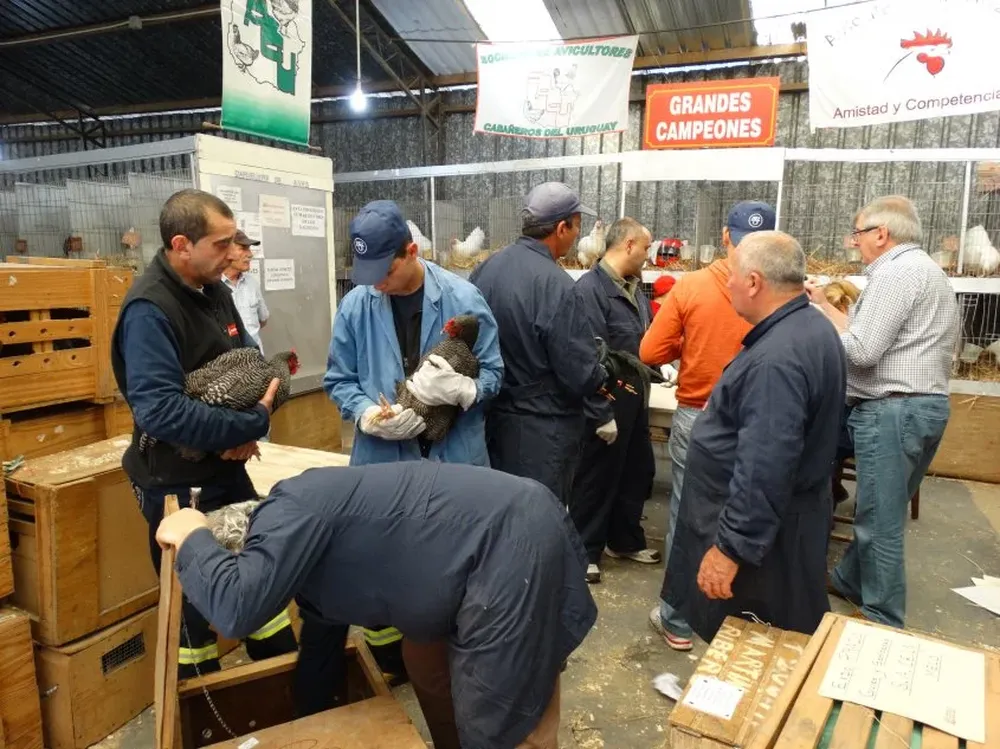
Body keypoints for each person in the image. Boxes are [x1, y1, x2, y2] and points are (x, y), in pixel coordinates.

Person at [153, 461, 598, 749]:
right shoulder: (295, 549)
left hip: (509, 545)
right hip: (474, 556)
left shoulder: (287, 514)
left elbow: (236, 607)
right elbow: (321, 645)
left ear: (241, 548)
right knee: (422, 660)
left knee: (503, 720)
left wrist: (192, 533)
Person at [110, 189, 296, 678]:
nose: (233, 253)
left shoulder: (214, 292)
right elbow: (160, 412)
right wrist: (249, 423)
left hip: (227, 470)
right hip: (178, 485)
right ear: (181, 244)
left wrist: (247, 429)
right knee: (195, 610)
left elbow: (255, 363)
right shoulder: (149, 311)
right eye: (222, 244)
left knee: (261, 585)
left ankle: (284, 703)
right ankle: (202, 712)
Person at [323, 199, 503, 688]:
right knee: (380, 559)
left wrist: (468, 390)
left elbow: (495, 374)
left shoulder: (464, 299)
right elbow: (338, 378)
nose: (375, 282)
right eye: (366, 272)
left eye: (384, 270)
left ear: (411, 250)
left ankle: (454, 659)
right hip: (382, 459)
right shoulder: (357, 304)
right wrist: (363, 415)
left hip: (453, 457)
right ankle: (390, 661)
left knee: (455, 563)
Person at [661, 231, 846, 642]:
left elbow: (765, 463)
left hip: (766, 545)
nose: (727, 284)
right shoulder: (811, 328)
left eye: (732, 275)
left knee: (751, 646)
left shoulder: (776, 360)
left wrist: (731, 549)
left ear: (754, 282)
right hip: (790, 523)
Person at [806, 196, 959, 627]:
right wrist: (828, 307)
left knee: (878, 519)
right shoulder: (928, 271)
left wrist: (821, 325)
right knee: (883, 510)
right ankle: (849, 579)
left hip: (893, 410)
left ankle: (882, 615)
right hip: (925, 405)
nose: (854, 243)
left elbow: (861, 350)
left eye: (857, 233)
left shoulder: (895, 274)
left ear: (881, 233)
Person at [638, 200, 775, 651]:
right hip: (759, 420)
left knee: (687, 514)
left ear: (724, 236)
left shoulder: (692, 286)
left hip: (699, 414)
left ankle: (677, 619)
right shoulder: (776, 291)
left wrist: (689, 344)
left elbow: (649, 352)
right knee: (748, 512)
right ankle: (739, 617)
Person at [470, 183, 610, 505]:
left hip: (489, 421)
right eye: (577, 226)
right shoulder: (556, 285)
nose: (577, 235)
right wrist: (600, 366)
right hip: (543, 432)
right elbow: (579, 376)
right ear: (562, 228)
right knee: (537, 520)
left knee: (497, 511)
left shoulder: (484, 270)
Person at [570, 218, 660, 584]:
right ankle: (584, 549)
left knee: (638, 471)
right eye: (646, 247)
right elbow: (588, 356)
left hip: (636, 398)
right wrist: (600, 411)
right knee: (597, 475)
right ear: (628, 244)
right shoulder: (590, 291)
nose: (648, 254)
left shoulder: (635, 289)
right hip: (607, 399)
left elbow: (640, 341)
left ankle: (623, 540)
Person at [222, 229, 269, 354]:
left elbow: (263, 319)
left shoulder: (252, 284)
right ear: (226, 252)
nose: (250, 255)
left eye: (249, 249)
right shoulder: (211, 286)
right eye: (243, 248)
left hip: (256, 362)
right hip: (229, 367)